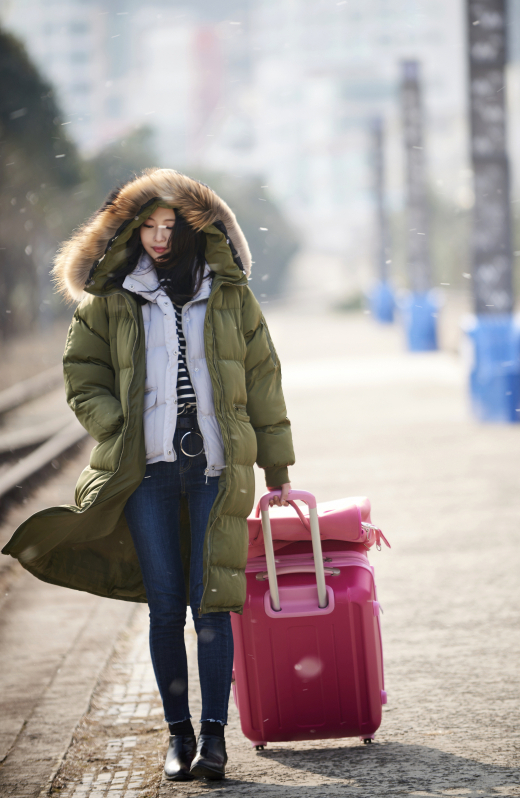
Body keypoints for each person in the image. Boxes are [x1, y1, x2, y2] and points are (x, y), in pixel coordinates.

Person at [2, 169, 295, 782]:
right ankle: (179, 736)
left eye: (171, 227)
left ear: (192, 230)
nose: (161, 238)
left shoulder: (227, 291)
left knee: (212, 606)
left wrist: (277, 465)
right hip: (148, 471)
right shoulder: (114, 295)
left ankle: (214, 739)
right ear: (133, 231)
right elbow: (83, 375)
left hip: (215, 466)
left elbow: (263, 375)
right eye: (150, 227)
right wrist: (118, 427)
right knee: (166, 608)